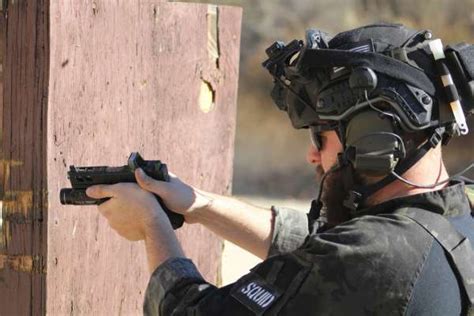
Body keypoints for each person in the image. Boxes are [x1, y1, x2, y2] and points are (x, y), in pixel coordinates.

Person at [86, 23, 474, 315]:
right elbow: (319, 250)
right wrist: (198, 205)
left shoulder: (377, 257)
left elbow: (191, 311)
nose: (312, 156)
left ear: (372, 135)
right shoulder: (454, 221)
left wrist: (151, 226)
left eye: (320, 137)